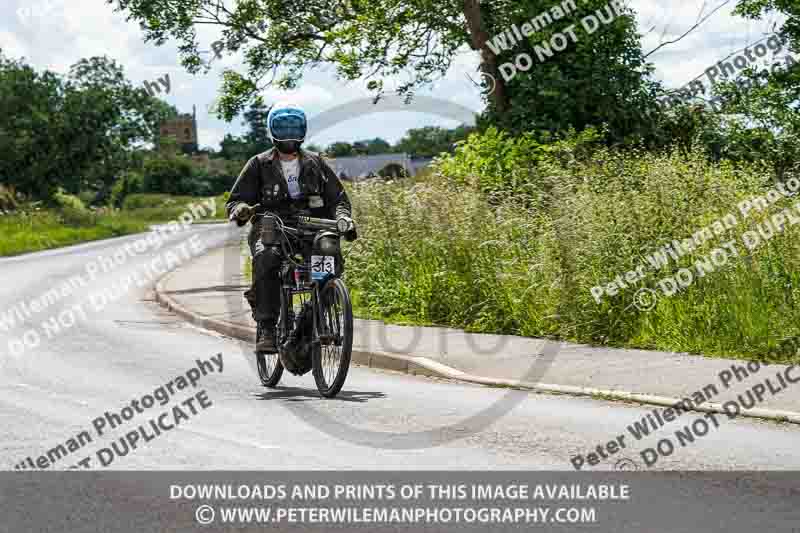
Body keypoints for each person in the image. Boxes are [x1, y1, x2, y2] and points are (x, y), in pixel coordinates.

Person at [226, 102, 355, 353]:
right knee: (266, 257)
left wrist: (344, 218)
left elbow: (339, 199)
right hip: (272, 226)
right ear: (272, 131)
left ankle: (316, 313)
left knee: (328, 256)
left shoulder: (316, 162)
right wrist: (240, 209)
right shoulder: (258, 164)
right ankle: (267, 327)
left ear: (302, 131)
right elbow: (236, 200)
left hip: (312, 228)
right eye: (282, 129)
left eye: (293, 128)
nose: (288, 135)